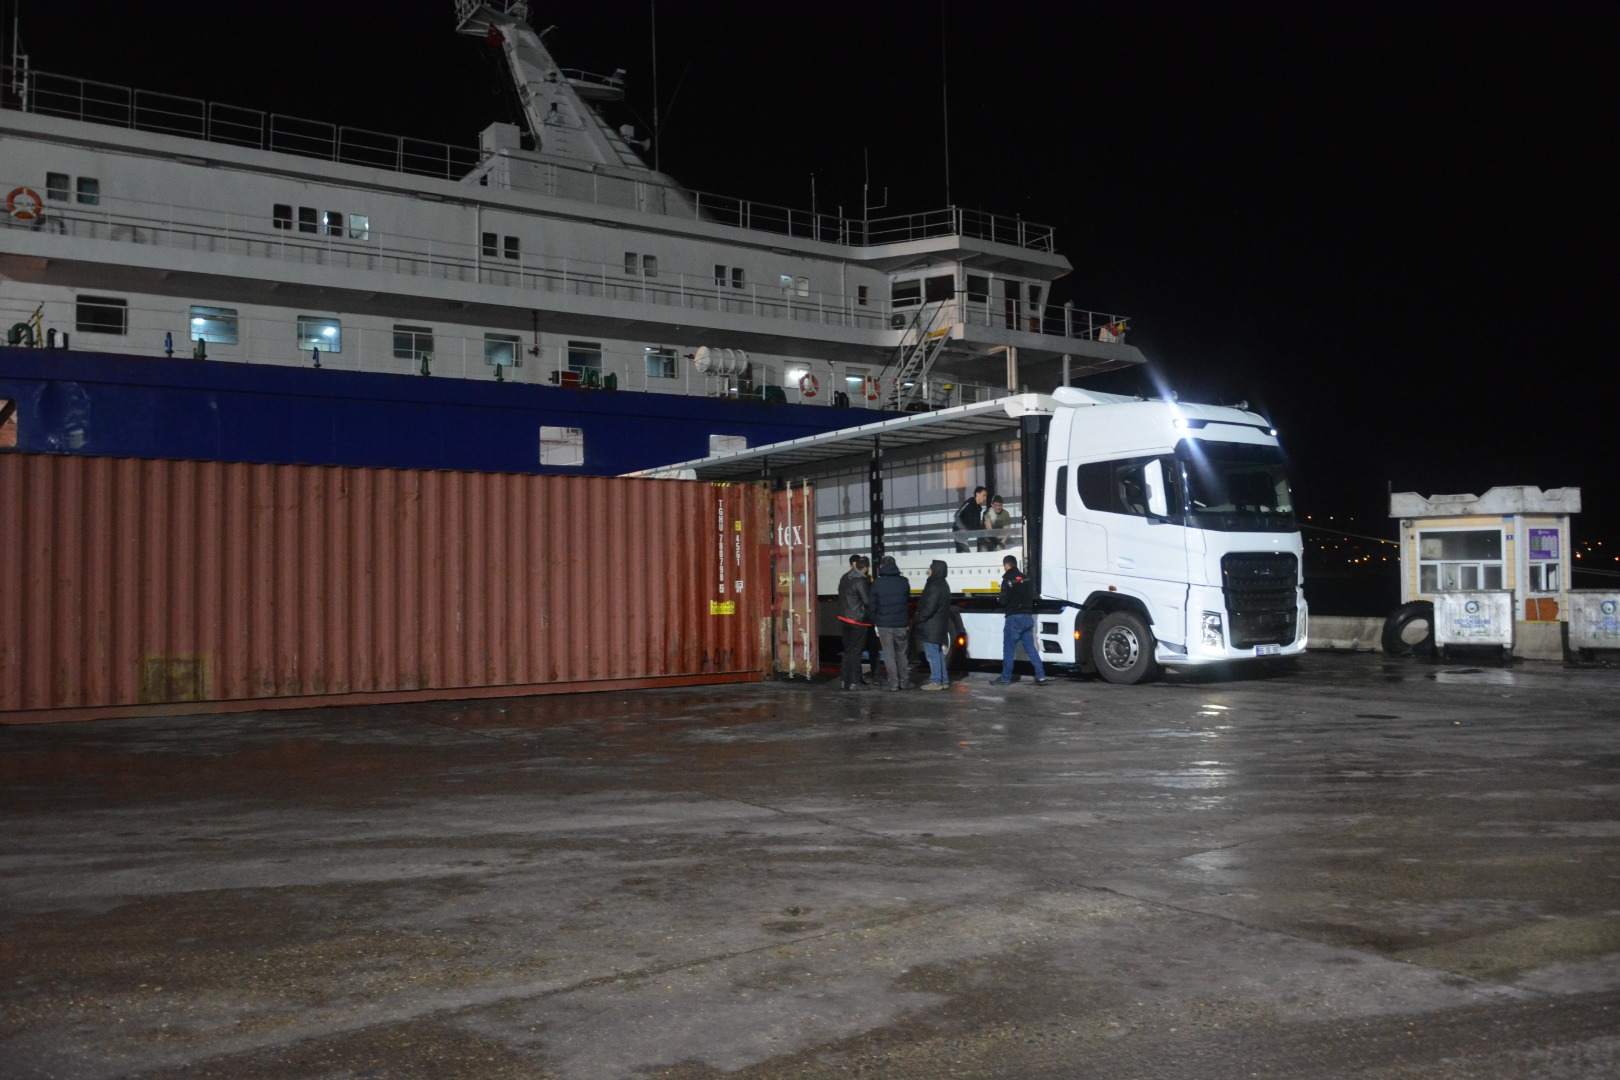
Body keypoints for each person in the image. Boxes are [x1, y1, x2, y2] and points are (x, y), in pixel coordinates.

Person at [997, 555, 1048, 686]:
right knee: (1030, 648)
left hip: (1013, 618)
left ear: (1006, 565)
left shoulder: (1007, 580)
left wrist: (999, 599)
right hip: (1027, 617)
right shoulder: (1026, 578)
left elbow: (1003, 600)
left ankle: (1006, 678)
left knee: (1008, 650)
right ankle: (1041, 675)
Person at [869, 556, 912, 691]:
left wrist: (874, 621)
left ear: (882, 566)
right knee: (902, 654)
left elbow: (872, 605)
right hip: (901, 623)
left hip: (884, 625)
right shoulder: (904, 582)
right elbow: (907, 600)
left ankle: (893, 683)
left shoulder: (877, 583)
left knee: (889, 655)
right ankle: (904, 682)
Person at [914, 559, 952, 690]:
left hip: (931, 626)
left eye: (930, 569)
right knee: (938, 653)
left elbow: (929, 607)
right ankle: (943, 680)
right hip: (939, 625)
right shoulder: (943, 584)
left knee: (932, 655)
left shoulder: (934, 586)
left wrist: (919, 618)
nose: (928, 571)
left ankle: (936, 681)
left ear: (935, 570)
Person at [836, 555, 872, 691]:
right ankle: (854, 682)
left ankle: (844, 679)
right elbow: (867, 601)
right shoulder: (861, 581)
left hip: (844, 619)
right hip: (857, 621)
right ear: (866, 568)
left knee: (847, 651)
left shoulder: (845, 577)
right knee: (856, 652)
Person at [954, 486, 988, 552]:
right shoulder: (970, 502)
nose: (985, 498)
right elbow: (957, 515)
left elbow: (977, 526)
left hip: (966, 534)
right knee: (965, 553)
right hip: (959, 533)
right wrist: (962, 527)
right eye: (983, 495)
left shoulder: (978, 509)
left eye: (986, 496)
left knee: (967, 553)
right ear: (977, 494)